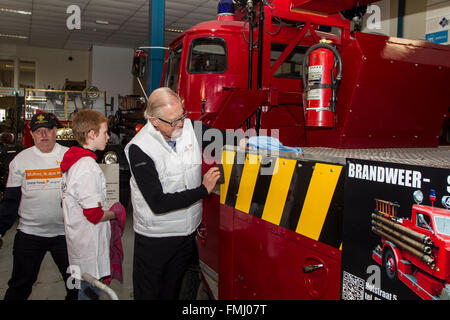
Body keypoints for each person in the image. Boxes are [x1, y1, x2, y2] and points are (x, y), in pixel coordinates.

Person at [125, 87, 244, 300]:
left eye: (182, 115)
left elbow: (224, 138)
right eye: (173, 120)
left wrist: (248, 142)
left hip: (186, 232)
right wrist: (202, 189)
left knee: (173, 290)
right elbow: (158, 202)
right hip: (156, 238)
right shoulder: (140, 148)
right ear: (154, 121)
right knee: (150, 294)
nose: (180, 123)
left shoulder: (187, 126)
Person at [0, 112, 78, 300]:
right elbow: (11, 200)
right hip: (29, 236)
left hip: (66, 237)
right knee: (19, 286)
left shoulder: (71, 157)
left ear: (55, 131)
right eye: (38, 131)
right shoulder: (20, 160)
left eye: (47, 130)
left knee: (77, 286)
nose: (43, 135)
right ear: (32, 134)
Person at [60, 109, 124, 300]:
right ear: (91, 134)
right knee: (88, 294)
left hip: (79, 241)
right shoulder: (87, 167)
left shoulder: (73, 161)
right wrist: (116, 212)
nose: (108, 136)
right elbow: (94, 215)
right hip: (89, 246)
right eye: (105, 132)